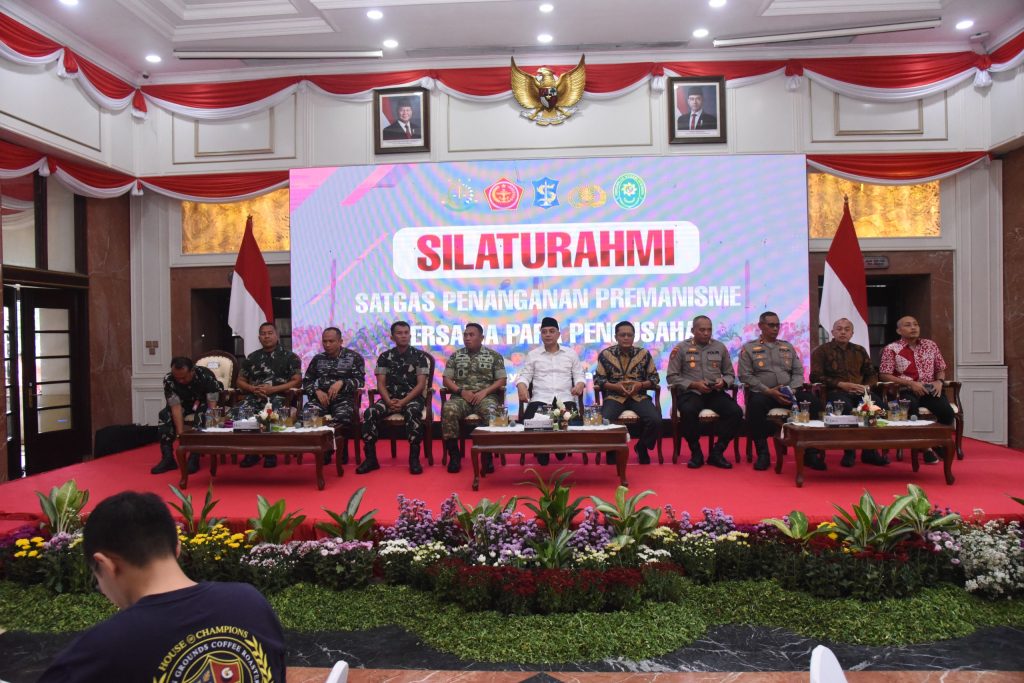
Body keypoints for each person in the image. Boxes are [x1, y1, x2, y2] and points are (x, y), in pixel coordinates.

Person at [38, 491, 286, 682]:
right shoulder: (250, 603)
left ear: (106, 565)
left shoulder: (99, 653)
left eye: (97, 578)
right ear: (177, 547)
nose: (102, 589)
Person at [738, 311, 826, 471]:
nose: (775, 328)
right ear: (761, 326)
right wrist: (768, 391)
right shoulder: (749, 348)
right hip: (764, 393)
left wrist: (792, 389)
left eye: (777, 325)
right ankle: (763, 454)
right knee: (754, 406)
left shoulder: (787, 347)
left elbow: (798, 372)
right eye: (771, 325)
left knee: (813, 403)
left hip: (790, 392)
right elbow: (745, 376)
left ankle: (810, 453)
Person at [666, 315, 742, 469]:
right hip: (691, 393)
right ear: (692, 330)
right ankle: (696, 452)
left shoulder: (720, 347)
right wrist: (693, 384)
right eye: (702, 330)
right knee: (688, 411)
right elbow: (671, 377)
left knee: (735, 412)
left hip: (714, 393)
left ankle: (717, 452)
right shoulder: (681, 348)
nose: (706, 333)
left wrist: (723, 382)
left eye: (709, 330)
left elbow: (730, 374)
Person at [810, 318, 887, 467]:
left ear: (852, 333)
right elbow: (815, 376)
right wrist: (841, 384)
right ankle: (849, 451)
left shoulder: (859, 350)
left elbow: (872, 374)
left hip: (860, 392)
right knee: (846, 408)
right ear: (832, 332)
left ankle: (870, 451)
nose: (843, 332)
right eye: (839, 329)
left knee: (878, 407)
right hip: (835, 391)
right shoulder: (822, 351)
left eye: (847, 329)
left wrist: (866, 387)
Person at [879, 315, 954, 464]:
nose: (913, 327)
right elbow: (884, 375)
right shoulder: (892, 349)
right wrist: (911, 384)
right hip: (904, 390)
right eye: (908, 325)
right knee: (911, 409)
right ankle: (926, 448)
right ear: (899, 331)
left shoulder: (930, 345)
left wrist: (939, 381)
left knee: (947, 412)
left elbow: (940, 369)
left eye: (915, 324)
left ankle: (938, 442)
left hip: (928, 389)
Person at [358, 321, 431, 475]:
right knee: (370, 412)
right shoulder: (384, 357)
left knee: (413, 412)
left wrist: (403, 402)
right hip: (389, 399)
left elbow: (420, 385)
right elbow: (380, 384)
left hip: (412, 399)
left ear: (410, 335)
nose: (403, 336)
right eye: (399, 333)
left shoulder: (419, 356)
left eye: (406, 333)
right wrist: (388, 401)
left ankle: (414, 459)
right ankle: (371, 459)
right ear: (392, 337)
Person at [516, 316, 587, 465]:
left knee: (575, 425)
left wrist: (580, 384)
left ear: (558, 334)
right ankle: (543, 450)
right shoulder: (533, 355)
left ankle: (560, 447)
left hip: (565, 399)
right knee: (528, 425)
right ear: (541, 335)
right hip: (540, 399)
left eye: (551, 331)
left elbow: (579, 375)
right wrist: (521, 386)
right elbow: (524, 376)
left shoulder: (570, 354)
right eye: (544, 332)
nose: (548, 334)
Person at [441, 323, 507, 473]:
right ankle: (454, 455)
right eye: (465, 335)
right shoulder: (456, 355)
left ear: (481, 337)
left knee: (493, 412)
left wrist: (485, 392)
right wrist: (461, 391)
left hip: (486, 397)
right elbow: (446, 380)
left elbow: (501, 380)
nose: (467, 338)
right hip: (461, 397)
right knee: (449, 409)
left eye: (471, 335)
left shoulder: (494, 356)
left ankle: (487, 456)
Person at [594, 320, 661, 465]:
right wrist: (615, 387)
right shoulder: (606, 354)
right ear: (616, 337)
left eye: (629, 335)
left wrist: (640, 384)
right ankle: (612, 450)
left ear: (634, 337)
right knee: (605, 420)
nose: (626, 338)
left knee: (655, 420)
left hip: (639, 396)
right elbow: (599, 379)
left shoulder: (643, 354)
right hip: (614, 396)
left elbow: (654, 378)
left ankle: (642, 447)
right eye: (622, 335)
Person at [236, 322, 302, 469]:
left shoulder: (290, 357)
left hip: (279, 396)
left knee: (270, 415)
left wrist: (273, 389)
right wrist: (252, 388)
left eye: (270, 333)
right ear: (259, 338)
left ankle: (269, 452)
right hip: (255, 395)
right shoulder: (252, 357)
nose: (266, 336)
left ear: (277, 335)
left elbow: (297, 381)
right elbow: (240, 380)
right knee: (240, 412)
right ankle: (251, 452)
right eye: (263, 334)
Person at [302, 327, 365, 464]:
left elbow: (360, 381)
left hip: (344, 399)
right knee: (307, 414)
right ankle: (324, 448)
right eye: (325, 341)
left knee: (342, 417)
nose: (327, 344)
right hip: (321, 399)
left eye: (331, 341)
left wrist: (342, 382)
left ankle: (340, 450)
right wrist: (316, 391)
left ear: (340, 341)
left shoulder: (354, 357)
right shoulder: (318, 359)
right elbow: (307, 381)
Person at [151, 357, 222, 475]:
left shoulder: (206, 375)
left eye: (183, 378)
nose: (180, 381)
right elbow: (175, 406)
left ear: (192, 371)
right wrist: (181, 435)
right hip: (184, 404)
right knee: (164, 414)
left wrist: (213, 427)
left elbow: (212, 405)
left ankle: (194, 456)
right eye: (177, 377)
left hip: (203, 402)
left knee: (202, 415)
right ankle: (168, 458)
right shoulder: (169, 379)